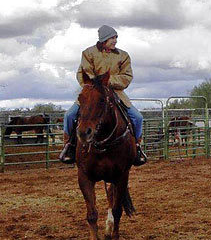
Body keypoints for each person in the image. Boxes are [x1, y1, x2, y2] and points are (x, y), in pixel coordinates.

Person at [59, 25, 147, 166]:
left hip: (115, 92)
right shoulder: (88, 53)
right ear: (104, 39)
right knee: (69, 115)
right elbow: (84, 73)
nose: (115, 41)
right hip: (92, 92)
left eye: (116, 37)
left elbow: (127, 77)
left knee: (137, 117)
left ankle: (137, 148)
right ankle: (69, 146)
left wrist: (108, 81)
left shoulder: (123, 56)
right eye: (112, 38)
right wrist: (97, 85)